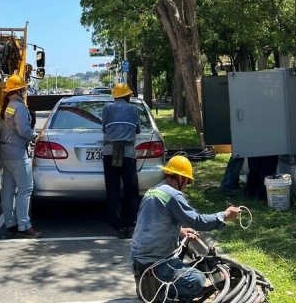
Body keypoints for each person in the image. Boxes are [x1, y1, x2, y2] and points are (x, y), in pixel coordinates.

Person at [130, 155, 242, 302]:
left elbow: (152, 224)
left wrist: (180, 231)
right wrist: (225, 215)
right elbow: (197, 221)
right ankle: (160, 293)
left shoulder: (154, 191)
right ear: (180, 178)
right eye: (187, 181)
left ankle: (159, 282)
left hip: (139, 261)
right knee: (198, 281)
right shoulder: (172, 194)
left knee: (184, 242)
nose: (186, 186)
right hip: (155, 263)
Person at [0, 74, 41, 238]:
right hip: (18, 154)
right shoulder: (20, 107)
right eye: (25, 88)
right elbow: (23, 130)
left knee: (8, 190)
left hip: (6, 153)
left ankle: (11, 224)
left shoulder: (8, 105)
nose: (26, 90)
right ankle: (24, 226)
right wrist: (34, 135)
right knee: (25, 189)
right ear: (20, 89)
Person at [102, 82, 141, 239]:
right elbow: (137, 129)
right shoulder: (134, 110)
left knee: (113, 189)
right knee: (131, 189)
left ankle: (117, 226)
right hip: (127, 153)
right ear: (126, 96)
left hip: (110, 152)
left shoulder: (107, 109)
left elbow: (104, 127)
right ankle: (131, 225)